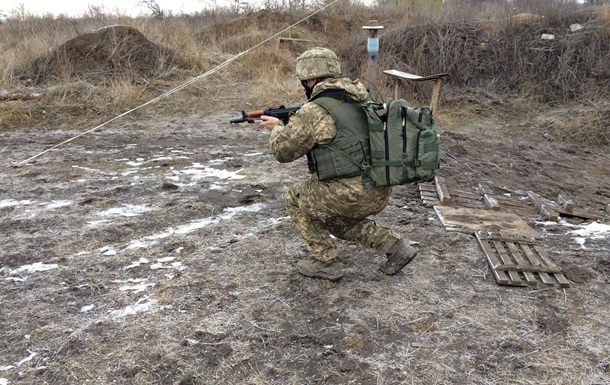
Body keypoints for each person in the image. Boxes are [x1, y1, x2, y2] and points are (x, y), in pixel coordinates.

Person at [258, 47, 418, 281]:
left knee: (295, 198)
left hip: (348, 195)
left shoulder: (314, 111)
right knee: (334, 220)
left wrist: (277, 129)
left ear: (311, 78)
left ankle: (325, 261)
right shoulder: (362, 97)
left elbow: (283, 152)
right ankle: (396, 247)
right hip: (379, 188)